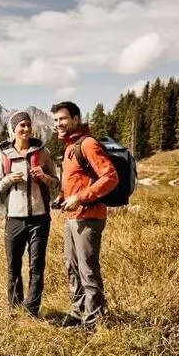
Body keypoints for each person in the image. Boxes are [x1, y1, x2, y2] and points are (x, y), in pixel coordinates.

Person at [51, 101, 119, 327]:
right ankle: (79, 313)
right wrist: (62, 196)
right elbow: (76, 180)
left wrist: (79, 198)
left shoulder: (88, 143)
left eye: (62, 119)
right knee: (71, 267)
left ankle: (94, 321)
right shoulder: (70, 146)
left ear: (75, 119)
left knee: (88, 270)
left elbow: (110, 177)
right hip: (72, 217)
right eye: (55, 120)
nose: (58, 124)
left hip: (90, 216)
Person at [0, 111, 59, 317]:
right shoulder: (3, 155)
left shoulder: (42, 152)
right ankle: (14, 309)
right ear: (14, 129)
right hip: (14, 220)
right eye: (22, 125)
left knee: (36, 266)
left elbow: (57, 183)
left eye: (29, 125)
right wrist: (9, 179)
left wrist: (44, 177)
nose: (26, 129)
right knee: (13, 267)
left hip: (39, 219)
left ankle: (31, 311)